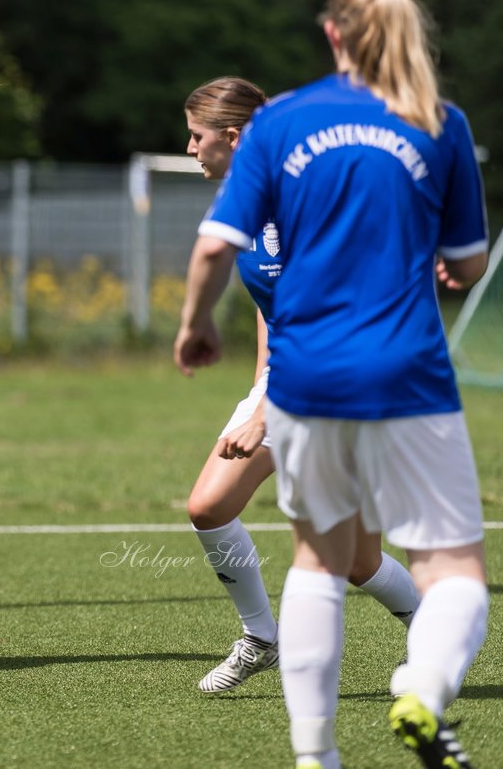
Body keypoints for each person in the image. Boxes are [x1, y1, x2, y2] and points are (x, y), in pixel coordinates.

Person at [176, 0, 489, 769]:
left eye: (198, 134)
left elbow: (216, 248)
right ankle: (422, 687)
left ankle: (315, 755)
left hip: (310, 383)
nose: (190, 146)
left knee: (324, 561)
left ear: (331, 31)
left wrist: (192, 324)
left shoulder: (284, 127)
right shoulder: (438, 120)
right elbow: (469, 260)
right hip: (402, 374)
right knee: (452, 572)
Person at [182, 77, 421, 696]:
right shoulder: (245, 196)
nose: (189, 148)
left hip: (343, 383)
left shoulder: (305, 196)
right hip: (288, 380)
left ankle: (436, 630)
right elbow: (274, 303)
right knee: (209, 507)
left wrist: (270, 411)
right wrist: (260, 388)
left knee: (356, 560)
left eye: (197, 136)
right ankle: (262, 636)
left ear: (233, 138)